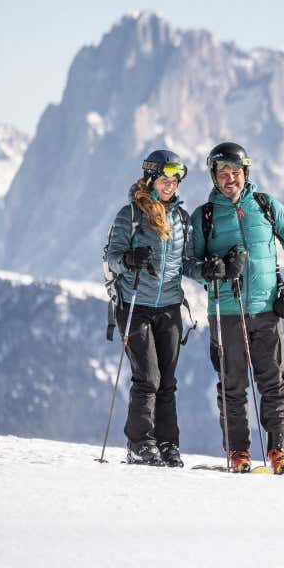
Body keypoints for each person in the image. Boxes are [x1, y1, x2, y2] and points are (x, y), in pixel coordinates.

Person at [191, 141, 284, 474]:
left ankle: (278, 451)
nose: (230, 178)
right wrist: (208, 269)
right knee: (232, 386)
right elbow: (188, 262)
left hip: (267, 310)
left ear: (246, 172)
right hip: (226, 313)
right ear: (213, 177)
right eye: (222, 173)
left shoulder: (266, 206)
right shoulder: (205, 217)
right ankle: (238, 453)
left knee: (274, 383)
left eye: (235, 172)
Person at [105, 149, 200, 467]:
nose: (170, 184)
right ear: (150, 179)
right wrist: (129, 260)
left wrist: (212, 270)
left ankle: (167, 444)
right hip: (135, 305)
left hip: (169, 308)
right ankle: (140, 444)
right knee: (148, 378)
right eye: (164, 178)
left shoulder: (181, 219)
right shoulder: (130, 215)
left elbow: (185, 264)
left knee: (167, 382)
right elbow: (113, 259)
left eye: (175, 179)